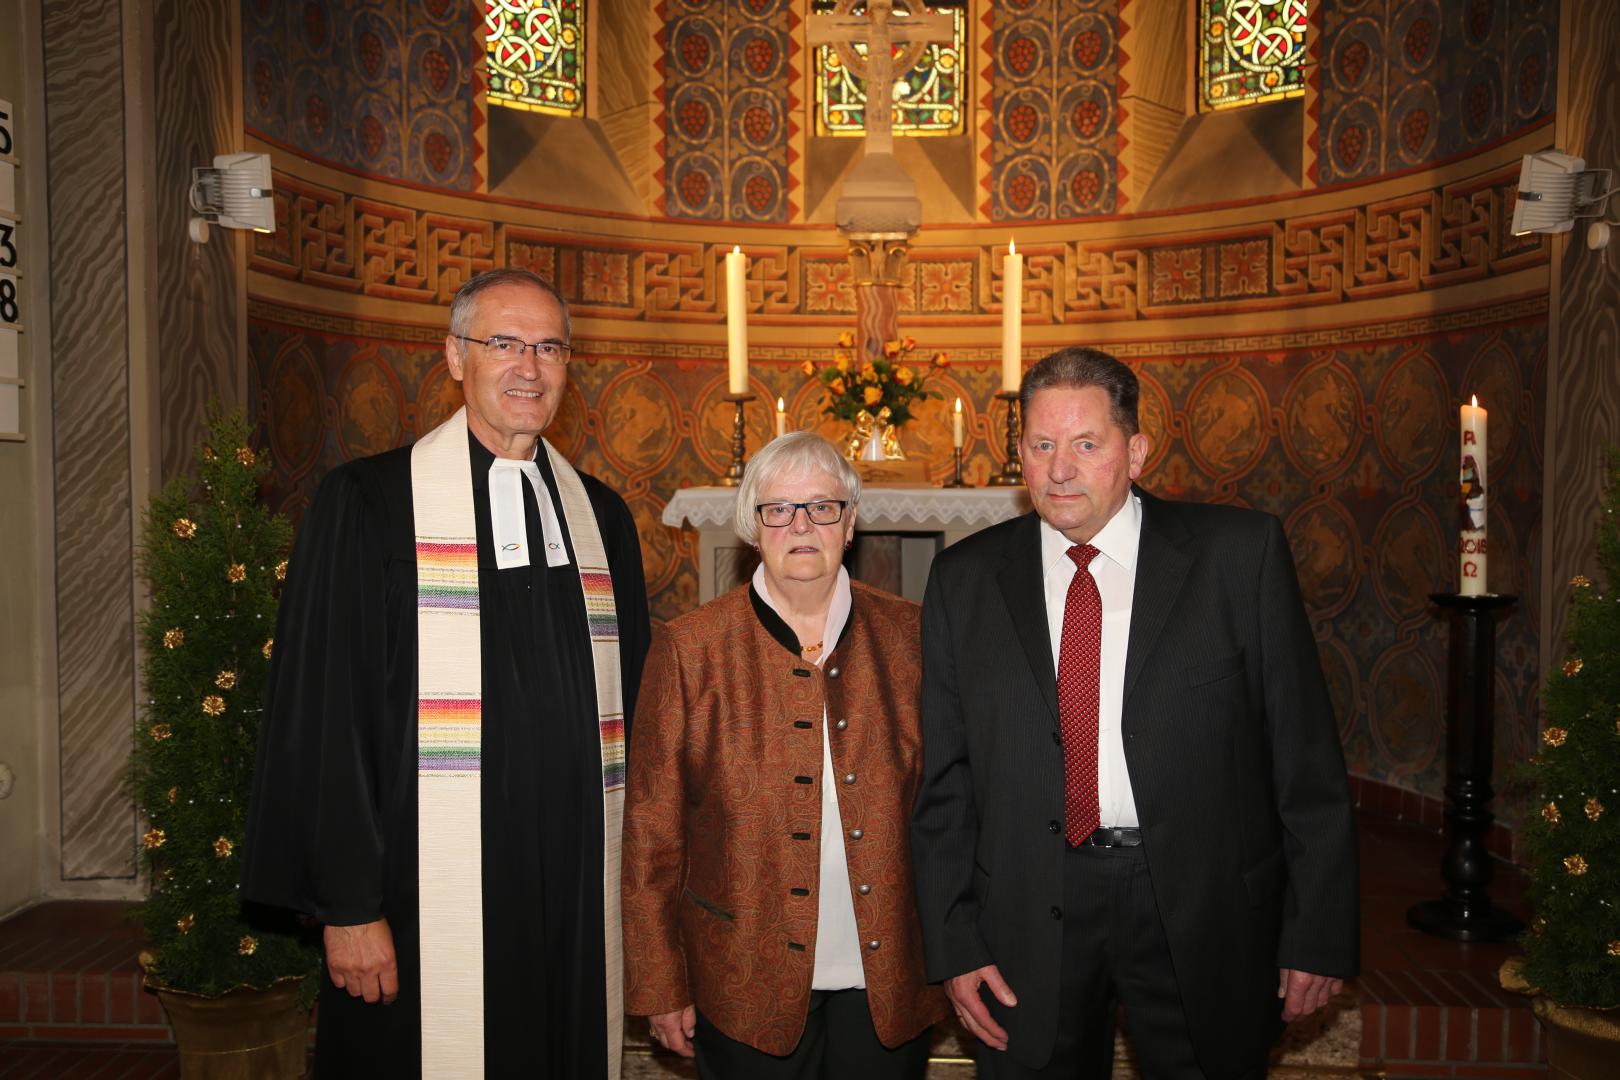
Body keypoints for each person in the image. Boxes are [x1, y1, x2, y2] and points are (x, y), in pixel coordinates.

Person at [241, 268, 651, 1079]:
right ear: (455, 356)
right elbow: (328, 718)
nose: (528, 367)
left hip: (574, 898)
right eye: (503, 343)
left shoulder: (601, 517)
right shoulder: (368, 505)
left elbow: (638, 709)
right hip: (418, 901)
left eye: (548, 348)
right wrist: (349, 908)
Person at [910, 348, 1358, 1080]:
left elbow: (1304, 760)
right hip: (1030, 905)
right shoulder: (964, 581)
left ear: (1137, 451)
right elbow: (946, 788)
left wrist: (1318, 933)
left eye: (1087, 444)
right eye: (1042, 446)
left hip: (1202, 903)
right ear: (1018, 454)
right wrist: (957, 942)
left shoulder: (1237, 557)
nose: (1060, 469)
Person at [621, 432, 948, 1080]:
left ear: (850, 522)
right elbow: (651, 833)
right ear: (752, 526)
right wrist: (662, 984)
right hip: (742, 980)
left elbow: (953, 808)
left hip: (887, 978)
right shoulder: (692, 649)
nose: (802, 525)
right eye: (779, 509)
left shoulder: (915, 637)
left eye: (822, 507)